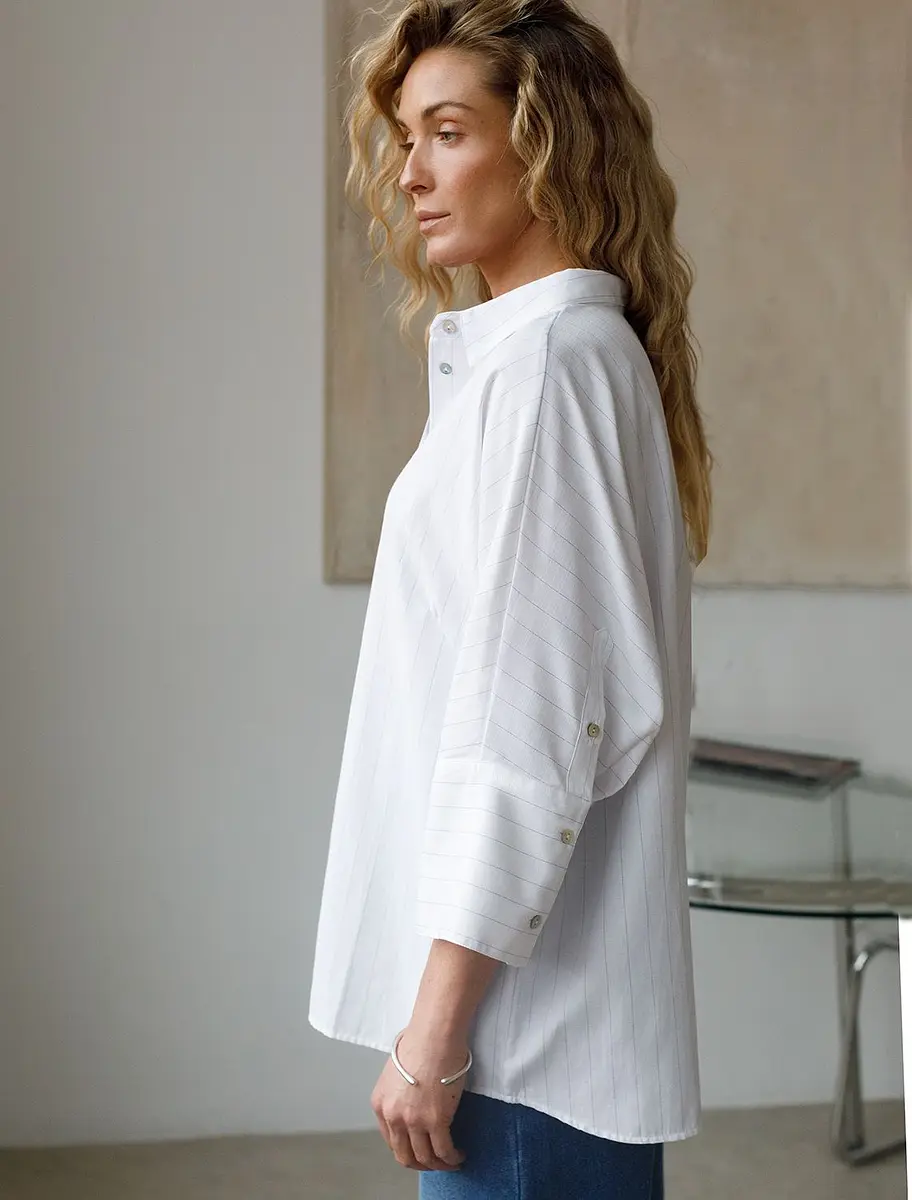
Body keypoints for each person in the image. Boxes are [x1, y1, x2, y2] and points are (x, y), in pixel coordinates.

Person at [309, 1, 713, 1196]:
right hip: (536, 1039)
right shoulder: (548, 363)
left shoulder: (553, 372)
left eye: (447, 132)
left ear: (545, 145)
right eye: (406, 138)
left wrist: (435, 1031)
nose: (410, 173)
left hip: (521, 1053)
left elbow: (532, 734)